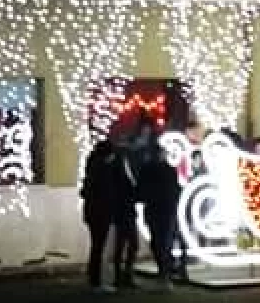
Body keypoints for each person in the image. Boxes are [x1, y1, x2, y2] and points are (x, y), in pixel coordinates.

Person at [144, 115, 200, 288]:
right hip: (167, 209)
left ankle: (167, 270)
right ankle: (168, 272)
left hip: (158, 209)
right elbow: (174, 188)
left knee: (160, 241)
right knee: (167, 241)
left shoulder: (150, 170)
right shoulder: (167, 170)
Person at [80, 127, 134, 293]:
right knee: (98, 247)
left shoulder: (93, 168)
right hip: (100, 214)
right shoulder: (102, 172)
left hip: (93, 213)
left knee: (96, 246)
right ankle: (96, 282)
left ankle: (94, 279)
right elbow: (105, 193)